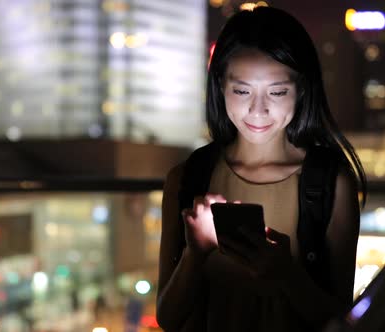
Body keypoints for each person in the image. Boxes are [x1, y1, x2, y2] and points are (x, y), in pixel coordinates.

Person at [156, 6, 367, 332]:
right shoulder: (188, 178)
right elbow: (168, 317)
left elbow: (339, 319)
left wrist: (286, 273)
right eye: (241, 91)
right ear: (220, 87)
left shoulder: (328, 183)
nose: (258, 109)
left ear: (301, 90)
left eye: (277, 91)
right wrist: (194, 254)